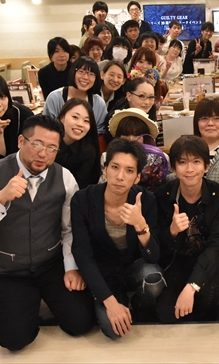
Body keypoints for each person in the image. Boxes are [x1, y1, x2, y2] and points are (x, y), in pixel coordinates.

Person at [0, 115, 95, 351]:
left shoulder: (64, 177)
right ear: (21, 141)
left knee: (80, 323)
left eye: (52, 148)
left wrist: (71, 267)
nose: (43, 154)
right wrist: (0, 198)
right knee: (14, 341)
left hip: (50, 264)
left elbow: (70, 228)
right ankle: (24, 307)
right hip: (9, 269)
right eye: (37, 144)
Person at [71, 138, 164, 339]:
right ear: (105, 169)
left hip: (134, 267)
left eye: (129, 171)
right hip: (103, 272)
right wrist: (110, 302)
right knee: (113, 331)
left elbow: (153, 256)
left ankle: (140, 306)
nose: (120, 177)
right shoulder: (83, 199)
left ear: (137, 177)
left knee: (153, 278)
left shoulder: (146, 200)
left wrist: (140, 225)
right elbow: (82, 254)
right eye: (115, 167)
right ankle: (116, 302)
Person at [154, 135, 219, 323]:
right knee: (166, 313)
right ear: (173, 168)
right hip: (175, 264)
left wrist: (192, 286)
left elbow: (217, 246)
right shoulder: (162, 196)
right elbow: (157, 247)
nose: (189, 169)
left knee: (206, 303)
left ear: (206, 166)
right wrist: (172, 232)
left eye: (196, 162)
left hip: (207, 265)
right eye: (182, 162)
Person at [43, 56, 108, 135]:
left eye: (91, 74)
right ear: (73, 72)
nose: (85, 77)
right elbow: (47, 127)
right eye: (81, 71)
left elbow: (100, 132)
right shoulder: (55, 98)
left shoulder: (98, 103)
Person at [55, 98, 100, 189]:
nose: (80, 124)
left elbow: (81, 186)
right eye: (75, 117)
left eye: (86, 121)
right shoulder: (48, 142)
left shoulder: (88, 151)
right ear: (62, 118)